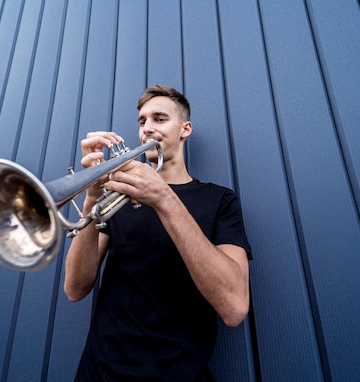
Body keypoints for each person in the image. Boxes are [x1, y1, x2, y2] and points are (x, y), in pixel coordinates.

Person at [64, 85, 252, 381]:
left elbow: (234, 307)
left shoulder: (219, 201)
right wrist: (90, 197)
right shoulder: (117, 197)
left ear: (185, 129)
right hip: (99, 373)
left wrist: (164, 199)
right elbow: (75, 289)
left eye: (160, 119)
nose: (147, 129)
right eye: (142, 121)